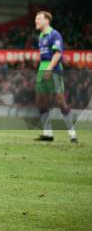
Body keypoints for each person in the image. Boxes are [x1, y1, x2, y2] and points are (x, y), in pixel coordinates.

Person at [34, 11, 77, 143]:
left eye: (39, 19)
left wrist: (49, 68)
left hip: (54, 69)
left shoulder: (54, 34)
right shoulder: (41, 36)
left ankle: (72, 135)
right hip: (43, 68)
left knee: (60, 102)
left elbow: (58, 54)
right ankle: (48, 134)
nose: (36, 21)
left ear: (47, 20)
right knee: (40, 102)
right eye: (36, 19)